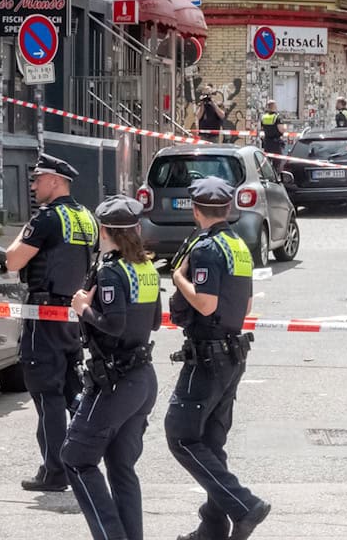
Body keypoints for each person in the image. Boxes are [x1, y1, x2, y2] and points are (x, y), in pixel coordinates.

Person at [166, 177, 269, 540]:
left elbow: (206, 303)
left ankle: (244, 505)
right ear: (228, 208)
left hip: (207, 354)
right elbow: (248, 304)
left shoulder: (207, 248)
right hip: (232, 352)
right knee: (210, 442)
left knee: (179, 436)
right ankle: (212, 527)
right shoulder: (238, 245)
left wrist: (179, 278)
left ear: (196, 210)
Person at [61, 195, 161, 540]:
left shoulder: (110, 270)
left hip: (114, 381)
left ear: (104, 231)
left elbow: (113, 324)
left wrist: (82, 309)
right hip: (143, 379)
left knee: (75, 458)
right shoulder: (146, 267)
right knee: (121, 467)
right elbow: (157, 322)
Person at [6, 153, 99, 492]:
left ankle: (55, 471)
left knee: (47, 397)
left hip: (44, 318)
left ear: (56, 181)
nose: (32, 186)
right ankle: (84, 457)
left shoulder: (46, 218)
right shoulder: (87, 217)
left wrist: (19, 237)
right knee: (72, 391)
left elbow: (14, 260)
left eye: (38, 179)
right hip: (72, 318)